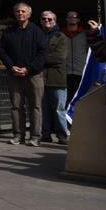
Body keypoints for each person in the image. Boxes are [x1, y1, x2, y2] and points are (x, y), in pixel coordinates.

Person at [0, 2, 48, 147]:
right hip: (14, 74)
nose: (20, 13)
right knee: (16, 106)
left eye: (23, 11)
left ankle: (35, 136)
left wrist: (29, 68)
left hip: (33, 75)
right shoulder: (9, 32)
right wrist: (11, 66)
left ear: (29, 15)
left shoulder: (37, 31)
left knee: (35, 106)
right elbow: (2, 51)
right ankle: (18, 136)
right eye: (18, 11)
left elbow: (43, 53)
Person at [39, 11, 70, 144]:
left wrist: (39, 59)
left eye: (50, 19)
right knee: (43, 109)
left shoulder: (61, 37)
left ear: (55, 21)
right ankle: (45, 134)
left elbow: (59, 57)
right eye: (44, 19)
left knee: (59, 109)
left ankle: (62, 135)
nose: (47, 21)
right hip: (40, 78)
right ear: (40, 21)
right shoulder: (38, 36)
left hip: (57, 79)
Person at [62, 11, 89, 105]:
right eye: (69, 16)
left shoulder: (85, 34)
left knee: (81, 98)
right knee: (66, 98)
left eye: (74, 16)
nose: (72, 18)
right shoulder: (60, 34)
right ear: (66, 19)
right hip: (66, 71)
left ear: (78, 19)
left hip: (81, 70)